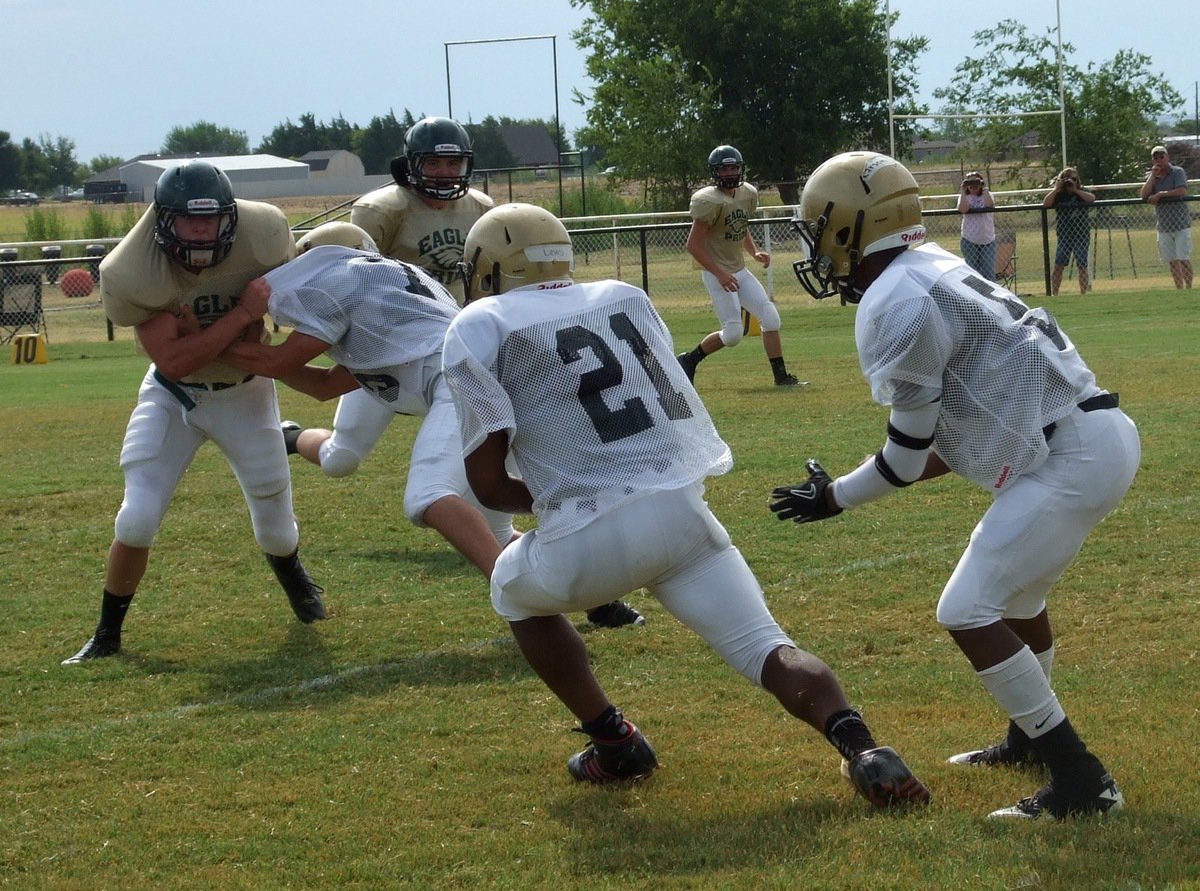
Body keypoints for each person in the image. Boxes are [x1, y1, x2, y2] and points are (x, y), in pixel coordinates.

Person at [441, 202, 930, 807]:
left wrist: (560, 498)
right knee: (767, 647)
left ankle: (615, 742)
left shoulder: (481, 322)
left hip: (586, 535)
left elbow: (488, 485)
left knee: (511, 591)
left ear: (490, 267)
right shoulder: (622, 295)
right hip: (681, 512)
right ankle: (864, 749)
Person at [783, 151, 1140, 820]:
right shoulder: (932, 264)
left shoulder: (896, 299)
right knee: (1017, 597)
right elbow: (939, 445)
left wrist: (835, 497)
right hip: (1088, 434)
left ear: (853, 226)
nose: (816, 247)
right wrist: (847, 488)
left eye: (820, 229)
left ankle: (1081, 778)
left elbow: (906, 456)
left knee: (966, 609)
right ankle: (1028, 740)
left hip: (1068, 452)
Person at [222, 222, 642, 628]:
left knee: (430, 497)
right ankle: (594, 593)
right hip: (465, 375)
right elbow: (325, 385)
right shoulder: (385, 305)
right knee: (346, 460)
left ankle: (526, 597)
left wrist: (218, 344)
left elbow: (282, 361)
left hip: (459, 378)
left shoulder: (346, 286)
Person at [63, 161, 325, 665]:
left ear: (230, 216)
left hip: (244, 393)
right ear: (164, 220)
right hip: (173, 394)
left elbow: (295, 314)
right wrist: (242, 316)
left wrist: (206, 335)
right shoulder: (131, 269)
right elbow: (176, 361)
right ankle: (107, 634)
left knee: (276, 525)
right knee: (136, 518)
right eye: (189, 219)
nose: (201, 230)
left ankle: (297, 585)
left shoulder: (265, 232)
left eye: (210, 219)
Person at [676, 145, 802, 387]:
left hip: (739, 270)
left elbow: (740, 226)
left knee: (771, 318)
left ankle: (781, 376)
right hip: (716, 273)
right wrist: (720, 274)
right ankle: (689, 360)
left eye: (733, 168)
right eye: (724, 169)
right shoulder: (709, 200)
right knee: (733, 334)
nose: (730, 173)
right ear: (715, 172)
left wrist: (754, 252)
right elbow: (693, 245)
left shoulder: (746, 194)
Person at [1139, 145, 1193, 289]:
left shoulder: (1177, 172)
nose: (1159, 160)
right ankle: (1179, 289)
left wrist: (1161, 194)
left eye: (1161, 157)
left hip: (1181, 224)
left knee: (1183, 259)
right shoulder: (1153, 176)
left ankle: (1189, 288)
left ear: (1167, 157)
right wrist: (1152, 176)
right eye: (1155, 158)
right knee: (1172, 261)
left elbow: (1181, 190)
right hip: (1163, 226)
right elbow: (1144, 194)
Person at [1042, 167, 1095, 295]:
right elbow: (1046, 203)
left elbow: (1092, 198)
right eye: (1067, 179)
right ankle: (1055, 294)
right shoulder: (1059, 195)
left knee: (1082, 265)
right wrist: (1057, 189)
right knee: (1059, 265)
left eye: (1074, 179)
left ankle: (1083, 294)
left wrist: (1075, 190)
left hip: (1081, 235)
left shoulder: (1082, 191)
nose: (1071, 181)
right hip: (1064, 236)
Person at [956, 171, 996, 281]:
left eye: (976, 182)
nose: (973, 186)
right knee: (972, 271)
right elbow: (963, 209)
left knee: (989, 272)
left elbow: (989, 206)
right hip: (969, 239)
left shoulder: (988, 195)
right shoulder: (964, 197)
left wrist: (984, 188)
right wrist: (963, 191)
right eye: (969, 183)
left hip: (987, 240)